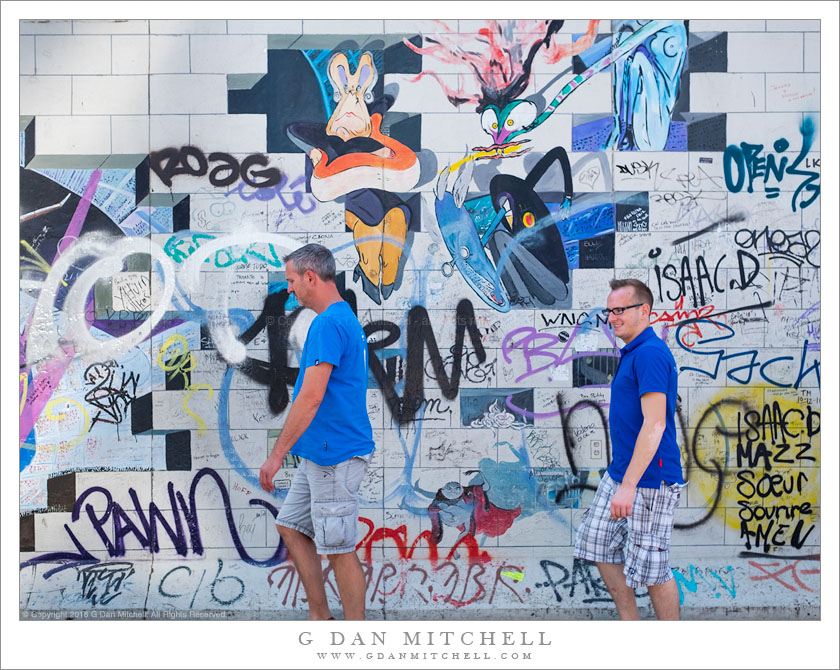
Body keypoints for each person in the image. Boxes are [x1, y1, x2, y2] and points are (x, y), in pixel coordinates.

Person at [259, 243, 374, 620]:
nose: (289, 289)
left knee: (339, 549)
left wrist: (277, 455)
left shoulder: (327, 323)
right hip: (321, 453)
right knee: (290, 525)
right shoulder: (339, 318)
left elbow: (310, 397)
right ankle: (320, 616)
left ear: (310, 277)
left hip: (335, 455)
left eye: (292, 280)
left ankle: (357, 638)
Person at [573, 278, 685, 620]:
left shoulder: (650, 353)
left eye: (620, 310)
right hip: (622, 473)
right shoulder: (634, 351)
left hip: (649, 481)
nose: (613, 317)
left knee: (653, 569)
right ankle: (630, 624)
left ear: (644, 311)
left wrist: (629, 486)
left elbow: (655, 424)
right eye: (610, 311)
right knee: (597, 542)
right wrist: (621, 480)